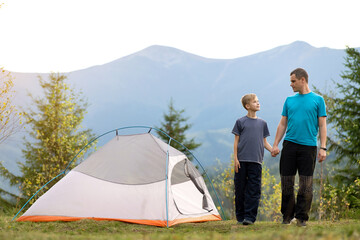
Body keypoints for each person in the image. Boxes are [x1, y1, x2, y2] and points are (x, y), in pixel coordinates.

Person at [271, 68, 327, 227]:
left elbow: (322, 125)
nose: (291, 84)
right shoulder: (289, 100)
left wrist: (323, 147)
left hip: (309, 147)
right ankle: (287, 217)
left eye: (293, 81)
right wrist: (275, 144)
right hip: (289, 145)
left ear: (303, 80)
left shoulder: (318, 100)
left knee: (306, 184)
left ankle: (301, 218)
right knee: (287, 182)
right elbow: (282, 123)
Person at [232, 93, 272, 225]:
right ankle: (240, 216)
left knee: (254, 190)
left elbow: (265, 142)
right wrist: (236, 159)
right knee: (240, 189)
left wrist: (273, 150)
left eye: (258, 101)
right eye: (255, 102)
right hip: (241, 161)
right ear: (247, 106)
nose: (258, 103)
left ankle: (250, 217)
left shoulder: (263, 123)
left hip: (256, 162)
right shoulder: (240, 122)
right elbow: (236, 142)